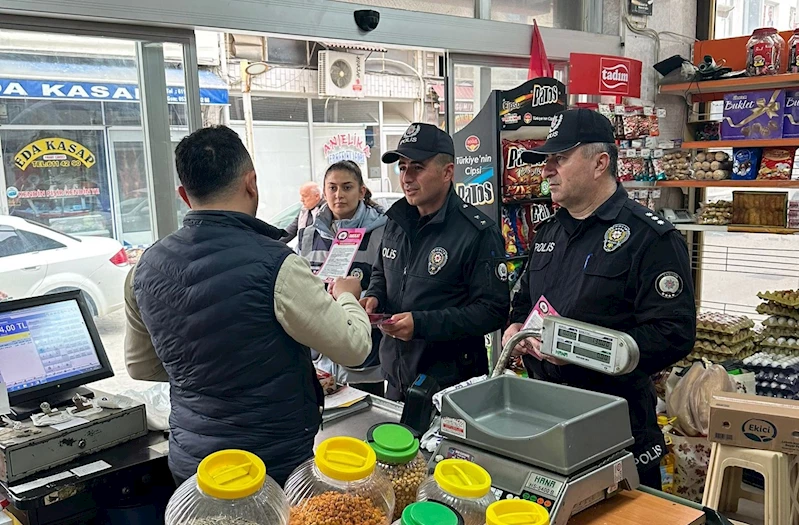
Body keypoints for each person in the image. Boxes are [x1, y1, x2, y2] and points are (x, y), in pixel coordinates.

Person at [126, 125, 371, 487]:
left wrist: (205, 373)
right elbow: (354, 348)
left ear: (184, 194)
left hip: (195, 466)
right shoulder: (277, 266)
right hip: (270, 466)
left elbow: (140, 365)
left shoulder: (143, 269)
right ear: (251, 183)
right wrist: (348, 295)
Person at [503, 108, 696, 490]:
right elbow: (523, 301)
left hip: (615, 425)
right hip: (543, 414)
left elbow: (674, 332)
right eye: (546, 159)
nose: (546, 169)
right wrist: (515, 328)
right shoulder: (549, 232)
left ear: (600, 163)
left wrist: (584, 351)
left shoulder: (649, 237)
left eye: (560, 158)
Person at [362, 123, 510, 401]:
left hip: (449, 389)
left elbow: (493, 311)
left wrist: (422, 325)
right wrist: (373, 297)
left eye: (417, 167)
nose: (406, 177)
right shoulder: (396, 221)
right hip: (395, 378)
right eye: (402, 167)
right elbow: (382, 272)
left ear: (447, 172)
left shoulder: (477, 232)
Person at [297, 160, 387, 396]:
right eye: (332, 188)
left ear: (362, 191)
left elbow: (390, 286)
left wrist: (358, 298)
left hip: (367, 357)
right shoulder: (309, 234)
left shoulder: (385, 232)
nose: (339, 195)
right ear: (324, 191)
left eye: (347, 187)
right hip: (322, 357)